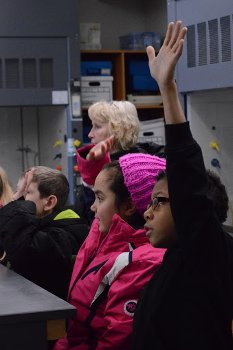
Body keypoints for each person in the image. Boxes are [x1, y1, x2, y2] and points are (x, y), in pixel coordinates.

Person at [132, 21, 233, 349]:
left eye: (158, 201)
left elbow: (187, 179)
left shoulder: (207, 254)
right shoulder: (174, 259)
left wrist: (168, 90)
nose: (146, 213)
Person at [53, 153, 166, 350]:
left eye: (99, 197)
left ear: (129, 206)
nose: (92, 206)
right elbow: (111, 184)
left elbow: (116, 340)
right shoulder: (106, 236)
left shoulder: (140, 262)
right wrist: (93, 161)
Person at [0, 166, 89, 300]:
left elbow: (24, 250)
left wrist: (16, 205)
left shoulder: (66, 233)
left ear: (49, 202)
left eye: (27, 192)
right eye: (18, 190)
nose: (17, 197)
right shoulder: (33, 225)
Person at [75, 100, 165, 225]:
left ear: (118, 130)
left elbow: (96, 220)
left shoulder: (129, 171)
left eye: (98, 126)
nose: (90, 134)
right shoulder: (140, 159)